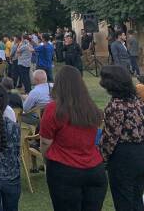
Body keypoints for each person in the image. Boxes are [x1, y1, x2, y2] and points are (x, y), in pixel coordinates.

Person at [39, 65, 107, 211]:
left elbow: (45, 141)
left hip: (65, 169)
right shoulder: (90, 107)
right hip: (94, 168)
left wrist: (46, 159)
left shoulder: (54, 109)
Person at [99, 65, 144, 211]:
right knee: (137, 198)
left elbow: (110, 138)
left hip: (123, 155)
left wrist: (101, 158)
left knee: (124, 200)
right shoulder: (137, 101)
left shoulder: (115, 106)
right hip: (140, 152)